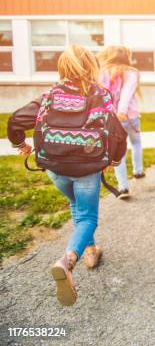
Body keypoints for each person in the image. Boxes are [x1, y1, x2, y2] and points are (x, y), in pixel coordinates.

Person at [7, 44, 127, 306]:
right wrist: (114, 160)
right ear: (91, 67)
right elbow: (118, 133)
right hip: (87, 167)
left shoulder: (49, 96)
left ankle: (91, 250)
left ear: (63, 68)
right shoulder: (100, 95)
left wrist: (21, 145)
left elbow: (16, 121)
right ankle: (68, 259)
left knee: (76, 205)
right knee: (88, 217)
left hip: (55, 167)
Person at [98, 46, 143, 200]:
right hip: (129, 116)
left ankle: (123, 186)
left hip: (111, 117)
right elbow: (127, 92)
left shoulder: (103, 72)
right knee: (136, 142)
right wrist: (122, 111)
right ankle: (138, 170)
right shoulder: (132, 72)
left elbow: (101, 94)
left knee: (118, 151)